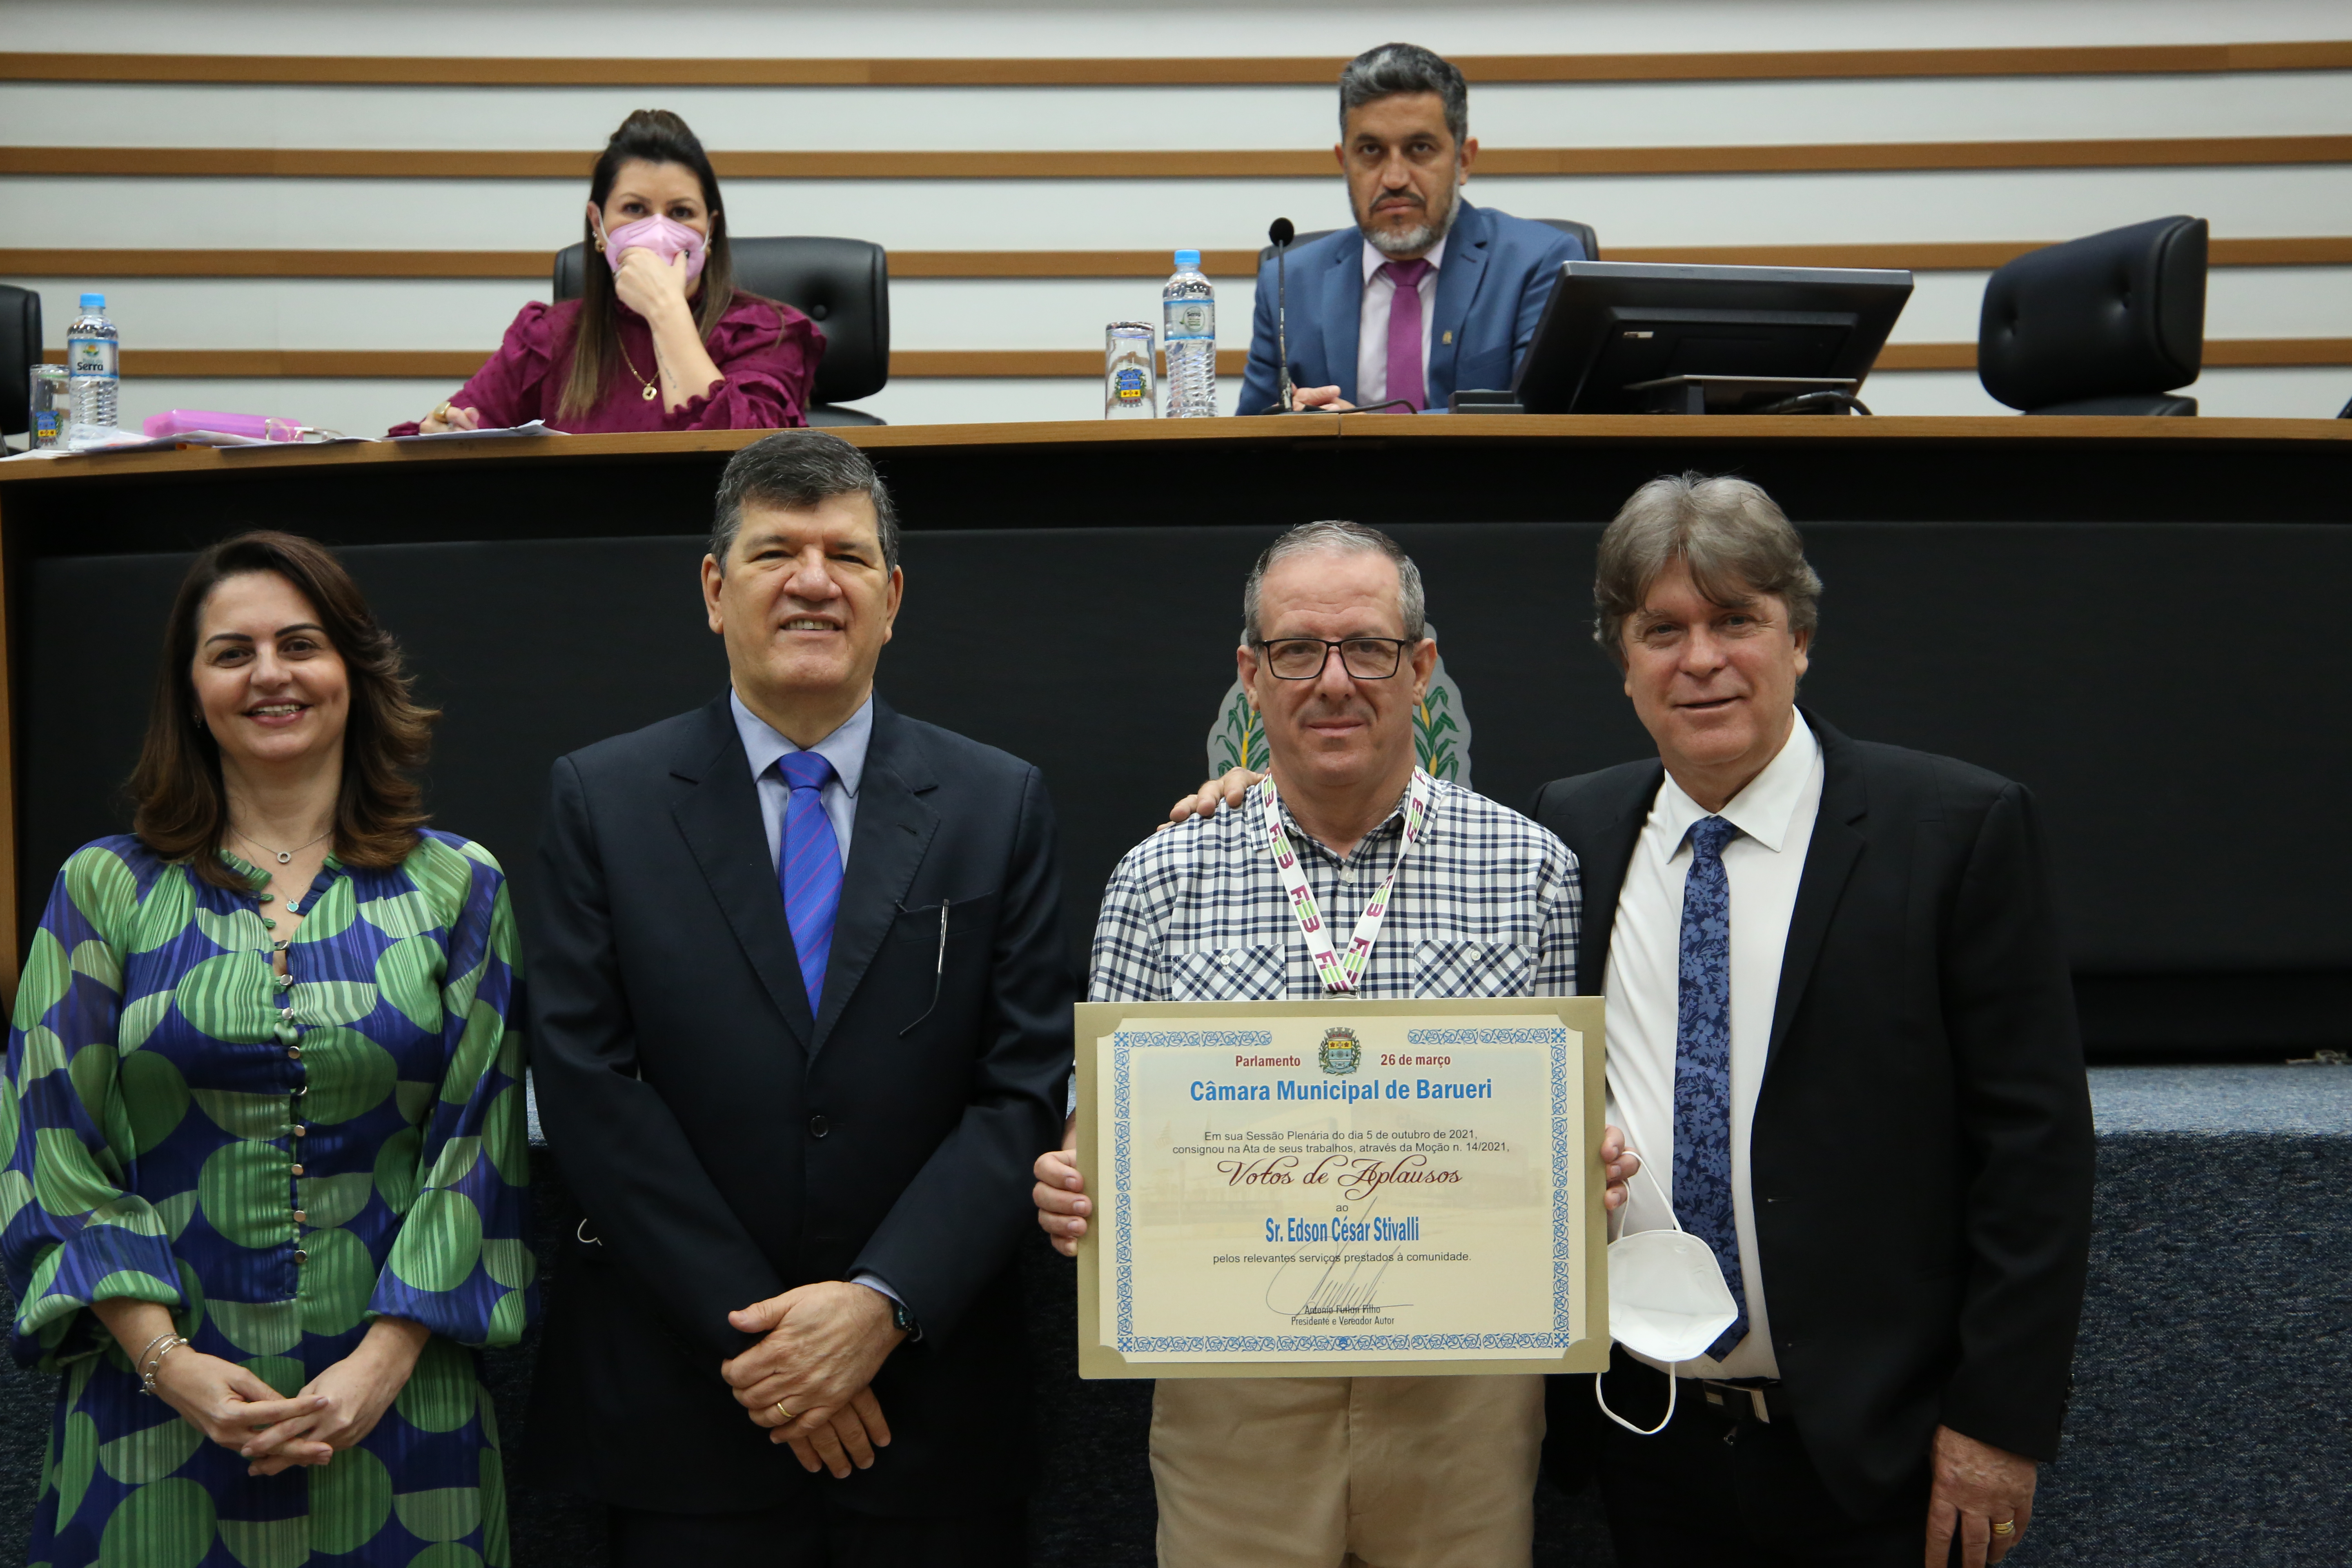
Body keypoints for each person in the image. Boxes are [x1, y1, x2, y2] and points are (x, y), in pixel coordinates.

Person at [1160, 478, 2096, 1567]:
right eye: (1662, 630)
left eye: (1735, 621)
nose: (1699, 660)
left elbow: (2035, 1154)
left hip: (1876, 1444)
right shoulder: (1574, 835)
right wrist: (1244, 797)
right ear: (1623, 661)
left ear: (1799, 637)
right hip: (1647, 1440)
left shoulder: (1955, 832)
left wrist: (1997, 1424)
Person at [1030, 520, 1638, 1568]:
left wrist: (1589, 1167)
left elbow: (1563, 1129)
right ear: (1248, 675)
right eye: (1294, 650)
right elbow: (1095, 1139)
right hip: (1234, 1398)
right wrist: (1072, 1187)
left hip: (1464, 1397)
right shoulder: (1157, 878)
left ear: (1420, 668)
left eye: (1365, 646)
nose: (1331, 680)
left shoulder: (1530, 868)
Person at [523, 430, 1074, 1566]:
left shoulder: (998, 802)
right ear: (716, 590)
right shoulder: (602, 799)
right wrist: (773, 1347)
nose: (816, 582)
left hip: (929, 1414)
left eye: (849, 556)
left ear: (894, 595)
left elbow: (1020, 1089)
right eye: (777, 553)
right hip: (691, 1409)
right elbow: (587, 1087)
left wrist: (877, 1306)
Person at [1, 530, 532, 1566]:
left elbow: (479, 1148)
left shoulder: (460, 885)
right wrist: (170, 1362)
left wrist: (376, 1368)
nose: (271, 674)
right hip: (147, 1417)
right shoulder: (104, 889)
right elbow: (49, 1147)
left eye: (301, 643)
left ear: (354, 670)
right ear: (190, 689)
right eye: (231, 652)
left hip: (397, 1418)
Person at [391, 109, 822, 435]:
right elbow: (454, 431)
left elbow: (749, 462)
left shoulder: (770, 333)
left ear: (710, 229)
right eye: (635, 209)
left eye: (681, 212)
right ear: (598, 225)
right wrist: (443, 426)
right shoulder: (547, 338)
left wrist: (665, 311)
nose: (659, 230)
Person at [1234, 43, 1585, 416]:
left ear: (1463, 161)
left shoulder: (1539, 264)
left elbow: (1544, 416)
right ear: (1344, 163)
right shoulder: (1288, 282)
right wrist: (1290, 419)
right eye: (1371, 151)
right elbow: (1249, 443)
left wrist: (1361, 429)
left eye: (1419, 148)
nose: (1395, 178)